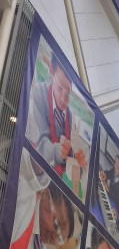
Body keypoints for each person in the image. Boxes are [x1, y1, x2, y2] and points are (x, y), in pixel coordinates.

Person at [8, 150, 74, 249]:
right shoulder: (25, 198)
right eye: (59, 224)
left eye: (60, 239)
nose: (56, 238)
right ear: (47, 195)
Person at [27, 53, 87, 181]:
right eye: (60, 88)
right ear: (51, 72)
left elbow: (63, 146)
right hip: (31, 177)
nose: (63, 100)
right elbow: (39, 144)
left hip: (52, 181)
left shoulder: (69, 115)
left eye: (68, 93)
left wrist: (73, 156)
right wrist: (57, 151)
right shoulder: (37, 95)